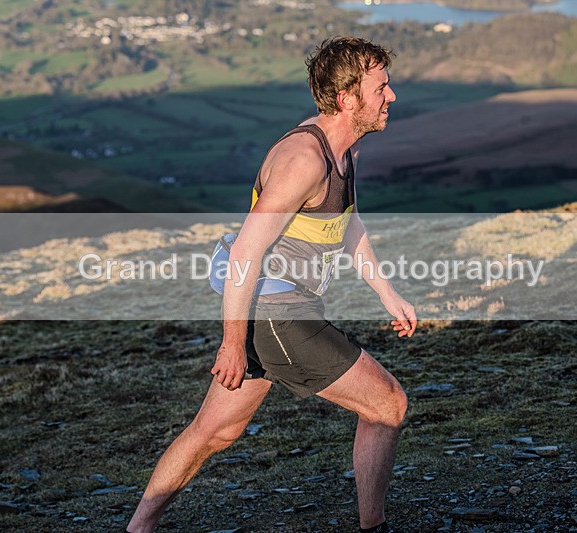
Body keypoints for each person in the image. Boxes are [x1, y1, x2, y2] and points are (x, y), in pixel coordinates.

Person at [127, 37, 417, 533]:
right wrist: (233, 343)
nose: (391, 97)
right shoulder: (306, 160)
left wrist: (386, 292)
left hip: (277, 306)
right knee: (387, 404)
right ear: (348, 98)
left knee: (216, 431)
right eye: (381, 87)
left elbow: (347, 222)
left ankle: (138, 528)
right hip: (272, 310)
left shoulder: (344, 149)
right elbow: (245, 251)